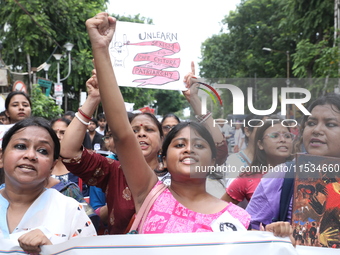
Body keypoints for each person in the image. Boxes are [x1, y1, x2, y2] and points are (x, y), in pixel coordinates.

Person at [83, 12, 293, 239]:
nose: (189, 149)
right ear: (163, 157)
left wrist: (278, 239)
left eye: (199, 145)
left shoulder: (239, 219)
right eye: (179, 144)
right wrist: (101, 48)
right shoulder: (149, 193)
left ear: (213, 160)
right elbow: (123, 133)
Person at [60, 70, 169, 234]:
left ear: (161, 141)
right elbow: (68, 153)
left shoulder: (177, 174)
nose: (141, 133)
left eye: (149, 129)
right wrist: (93, 99)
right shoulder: (113, 170)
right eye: (134, 130)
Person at [0, 117, 96, 254]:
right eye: (20, 146)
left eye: (43, 151)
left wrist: (52, 250)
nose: (31, 155)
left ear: (52, 166)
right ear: (1, 157)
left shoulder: (71, 211)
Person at [246, 93, 340, 232]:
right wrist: (272, 235)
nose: (317, 130)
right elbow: (247, 230)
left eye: (330, 124)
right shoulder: (282, 175)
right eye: (311, 123)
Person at [221, 118, 294, 205]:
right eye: (275, 136)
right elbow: (219, 211)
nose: (283, 140)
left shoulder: (302, 173)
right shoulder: (247, 177)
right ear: (260, 144)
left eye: (287, 136)